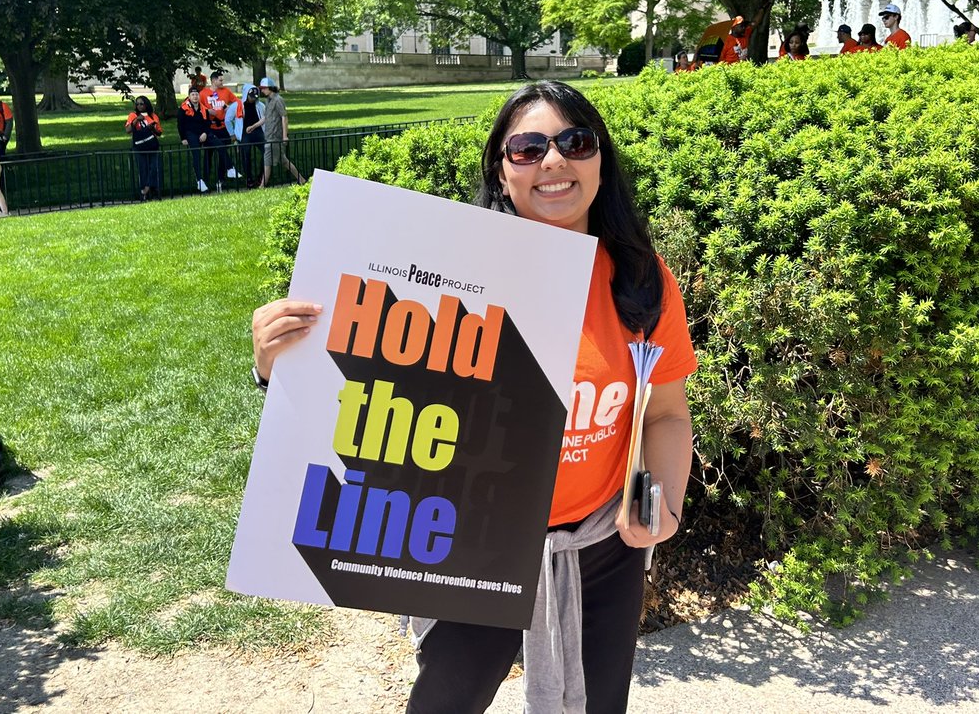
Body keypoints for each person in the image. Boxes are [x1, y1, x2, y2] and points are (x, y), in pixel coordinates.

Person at [252, 81, 697, 712]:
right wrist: (280, 365)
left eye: (575, 142)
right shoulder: (452, 278)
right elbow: (370, 405)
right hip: (469, 539)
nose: (553, 161)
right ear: (501, 167)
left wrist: (664, 504)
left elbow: (668, 413)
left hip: (598, 545)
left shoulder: (640, 280)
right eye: (528, 147)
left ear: (600, 161)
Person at [257, 77, 304, 188]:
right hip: (269, 136)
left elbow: (284, 117)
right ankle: (301, 179)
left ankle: (262, 186)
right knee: (283, 161)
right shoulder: (268, 101)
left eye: (264, 88)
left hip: (275, 136)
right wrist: (254, 126)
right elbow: (266, 118)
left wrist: (284, 136)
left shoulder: (278, 100)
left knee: (267, 161)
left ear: (270, 88)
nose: (262, 91)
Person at [199, 71, 240, 182]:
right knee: (208, 155)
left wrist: (229, 108)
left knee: (223, 153)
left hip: (223, 127)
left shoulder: (226, 91)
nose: (223, 82)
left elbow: (238, 102)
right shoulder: (203, 93)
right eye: (220, 80)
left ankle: (221, 179)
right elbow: (198, 108)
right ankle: (206, 180)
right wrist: (208, 111)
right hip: (210, 128)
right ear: (213, 80)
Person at [125, 96, 163, 201]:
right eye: (137, 104)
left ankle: (151, 189)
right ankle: (144, 191)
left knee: (153, 168)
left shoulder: (153, 116)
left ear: (146, 104)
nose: (139, 106)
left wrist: (153, 129)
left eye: (141, 104)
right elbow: (128, 130)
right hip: (139, 146)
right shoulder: (133, 115)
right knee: (143, 169)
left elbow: (159, 132)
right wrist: (136, 120)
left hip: (152, 145)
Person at [178, 87, 210, 193]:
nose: (195, 96)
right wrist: (183, 138)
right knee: (196, 154)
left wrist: (205, 132)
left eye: (196, 94)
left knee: (217, 144)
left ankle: (230, 168)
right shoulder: (183, 108)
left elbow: (207, 123)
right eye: (193, 95)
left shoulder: (203, 108)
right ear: (189, 96)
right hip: (190, 134)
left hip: (202, 133)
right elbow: (180, 124)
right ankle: (199, 180)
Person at [239, 83, 265, 187]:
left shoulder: (260, 105)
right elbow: (229, 119)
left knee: (266, 150)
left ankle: (261, 177)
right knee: (246, 153)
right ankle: (248, 178)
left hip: (258, 131)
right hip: (245, 133)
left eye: (255, 97)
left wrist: (254, 126)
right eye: (251, 97)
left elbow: (264, 118)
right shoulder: (239, 106)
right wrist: (234, 134)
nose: (253, 99)